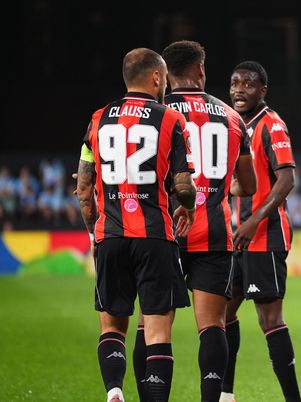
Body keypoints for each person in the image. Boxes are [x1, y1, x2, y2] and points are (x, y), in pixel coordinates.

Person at [133, 40, 254, 402]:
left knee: (151, 325)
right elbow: (247, 185)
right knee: (212, 325)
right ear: (201, 71)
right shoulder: (232, 117)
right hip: (213, 230)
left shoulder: (155, 113)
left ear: (165, 74)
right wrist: (220, 183)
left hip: (162, 230)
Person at [75, 48, 197, 402]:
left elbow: (84, 190)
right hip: (154, 236)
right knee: (158, 330)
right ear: (157, 77)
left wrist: (92, 231)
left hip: (110, 235)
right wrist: (187, 207)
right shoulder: (170, 119)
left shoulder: (97, 119)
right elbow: (183, 185)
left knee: (112, 325)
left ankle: (114, 389)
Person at [221, 60, 301, 402]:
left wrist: (254, 221)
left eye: (248, 84)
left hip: (264, 237)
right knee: (222, 313)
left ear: (262, 90)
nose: (239, 89)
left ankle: (293, 399)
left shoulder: (272, 125)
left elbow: (287, 179)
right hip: (232, 236)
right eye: (235, 82)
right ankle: (225, 393)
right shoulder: (230, 124)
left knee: (269, 319)